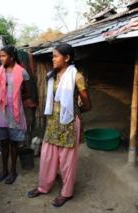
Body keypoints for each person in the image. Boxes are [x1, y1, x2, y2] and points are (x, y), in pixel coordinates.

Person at [27, 43, 91, 207]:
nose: (53, 59)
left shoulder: (76, 77)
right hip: (53, 122)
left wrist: (75, 111)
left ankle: (66, 193)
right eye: (53, 56)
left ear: (67, 58)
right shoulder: (52, 76)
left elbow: (87, 104)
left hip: (68, 123)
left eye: (56, 56)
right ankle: (43, 187)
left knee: (67, 161)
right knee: (47, 157)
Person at [0, 45, 32, 184]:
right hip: (1, 111)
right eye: (0, 56)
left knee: (14, 143)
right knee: (3, 143)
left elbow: (26, 91)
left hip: (15, 112)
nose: (0, 58)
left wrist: (15, 96)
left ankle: (13, 171)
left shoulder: (22, 72)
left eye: (3, 56)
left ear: (12, 57)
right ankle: (5, 170)